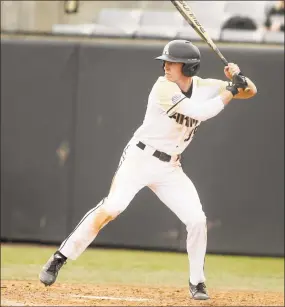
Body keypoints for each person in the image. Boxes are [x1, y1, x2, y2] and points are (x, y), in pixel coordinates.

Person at [39, 40, 257, 300]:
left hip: (170, 167)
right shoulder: (162, 87)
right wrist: (232, 89)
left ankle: (197, 283)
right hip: (140, 158)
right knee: (112, 208)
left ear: (188, 68)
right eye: (165, 61)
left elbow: (249, 91)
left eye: (172, 62)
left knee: (197, 220)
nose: (165, 66)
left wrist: (238, 78)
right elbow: (199, 112)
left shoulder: (207, 87)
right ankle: (60, 257)